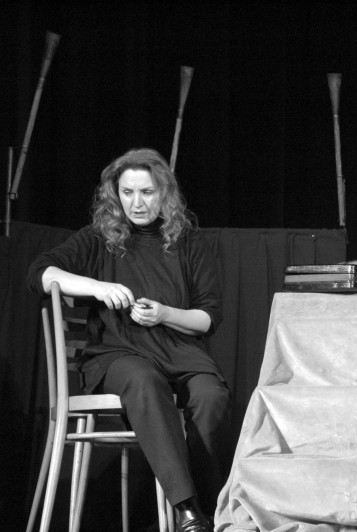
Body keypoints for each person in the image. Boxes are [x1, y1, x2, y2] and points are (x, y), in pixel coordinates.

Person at [27, 148, 230, 532]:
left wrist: (165, 313)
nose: (137, 203)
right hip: (117, 355)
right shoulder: (97, 239)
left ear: (164, 193)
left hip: (180, 352)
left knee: (211, 396)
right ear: (115, 194)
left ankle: (211, 508)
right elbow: (40, 273)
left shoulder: (189, 243)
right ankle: (187, 510)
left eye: (147, 192)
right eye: (127, 192)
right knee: (144, 380)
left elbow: (208, 318)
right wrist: (97, 286)